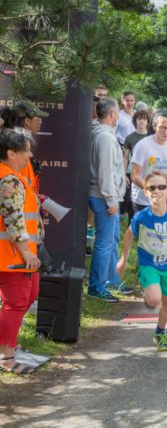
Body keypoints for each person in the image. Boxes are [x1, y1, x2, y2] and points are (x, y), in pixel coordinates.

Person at [117, 171, 167, 351]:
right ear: (145, 192)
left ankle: (160, 333)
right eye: (152, 188)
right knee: (154, 299)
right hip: (149, 264)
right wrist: (123, 259)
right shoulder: (141, 217)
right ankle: (147, 291)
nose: (157, 191)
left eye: (161, 187)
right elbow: (128, 236)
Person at [0, 128, 42, 374]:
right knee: (16, 303)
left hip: (15, 254)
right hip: (12, 256)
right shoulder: (9, 179)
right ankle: (6, 356)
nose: (29, 154)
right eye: (25, 150)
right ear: (10, 153)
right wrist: (26, 252)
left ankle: (8, 342)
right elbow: (13, 218)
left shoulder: (12, 176)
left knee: (27, 295)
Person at [88, 97, 130, 302]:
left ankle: (112, 280)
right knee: (104, 243)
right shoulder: (104, 137)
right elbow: (105, 170)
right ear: (112, 113)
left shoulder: (105, 134)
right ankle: (97, 287)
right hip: (103, 196)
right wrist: (111, 199)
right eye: (118, 113)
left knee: (111, 240)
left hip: (106, 195)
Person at [122, 109, 151, 220]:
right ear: (135, 121)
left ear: (148, 121)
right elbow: (125, 157)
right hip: (132, 172)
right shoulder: (130, 138)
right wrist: (123, 174)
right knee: (130, 200)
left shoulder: (151, 138)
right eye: (139, 119)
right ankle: (132, 224)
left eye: (144, 119)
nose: (142, 121)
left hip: (147, 172)